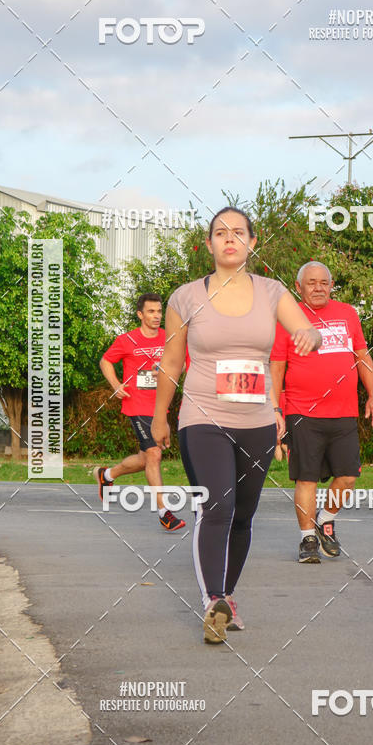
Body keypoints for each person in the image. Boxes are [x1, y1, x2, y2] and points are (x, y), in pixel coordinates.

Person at [151, 207, 321, 644]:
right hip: (202, 417)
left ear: (252, 242)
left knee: (244, 515)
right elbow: (171, 362)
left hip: (258, 421)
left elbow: (306, 328)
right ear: (208, 244)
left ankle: (227, 598)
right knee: (218, 507)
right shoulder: (185, 297)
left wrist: (310, 336)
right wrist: (159, 415)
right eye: (220, 233)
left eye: (238, 232)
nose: (230, 239)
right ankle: (212, 601)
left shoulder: (271, 291)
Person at [270, 262, 373, 563]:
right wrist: (276, 408)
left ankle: (326, 518)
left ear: (331, 286)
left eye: (323, 282)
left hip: (345, 411)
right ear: (299, 286)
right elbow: (277, 366)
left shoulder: (347, 314)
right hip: (302, 411)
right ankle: (307, 540)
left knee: (348, 477)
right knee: (306, 479)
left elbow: (362, 356)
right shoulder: (287, 318)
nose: (318, 287)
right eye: (311, 283)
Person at [93, 293, 185, 531]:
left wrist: (169, 370)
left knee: (145, 459)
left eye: (159, 311)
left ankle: (107, 475)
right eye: (151, 312)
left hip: (160, 405)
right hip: (137, 404)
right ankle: (165, 512)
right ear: (140, 315)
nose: (157, 316)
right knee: (154, 454)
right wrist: (116, 385)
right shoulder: (126, 340)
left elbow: (185, 363)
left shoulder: (169, 337)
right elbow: (105, 361)